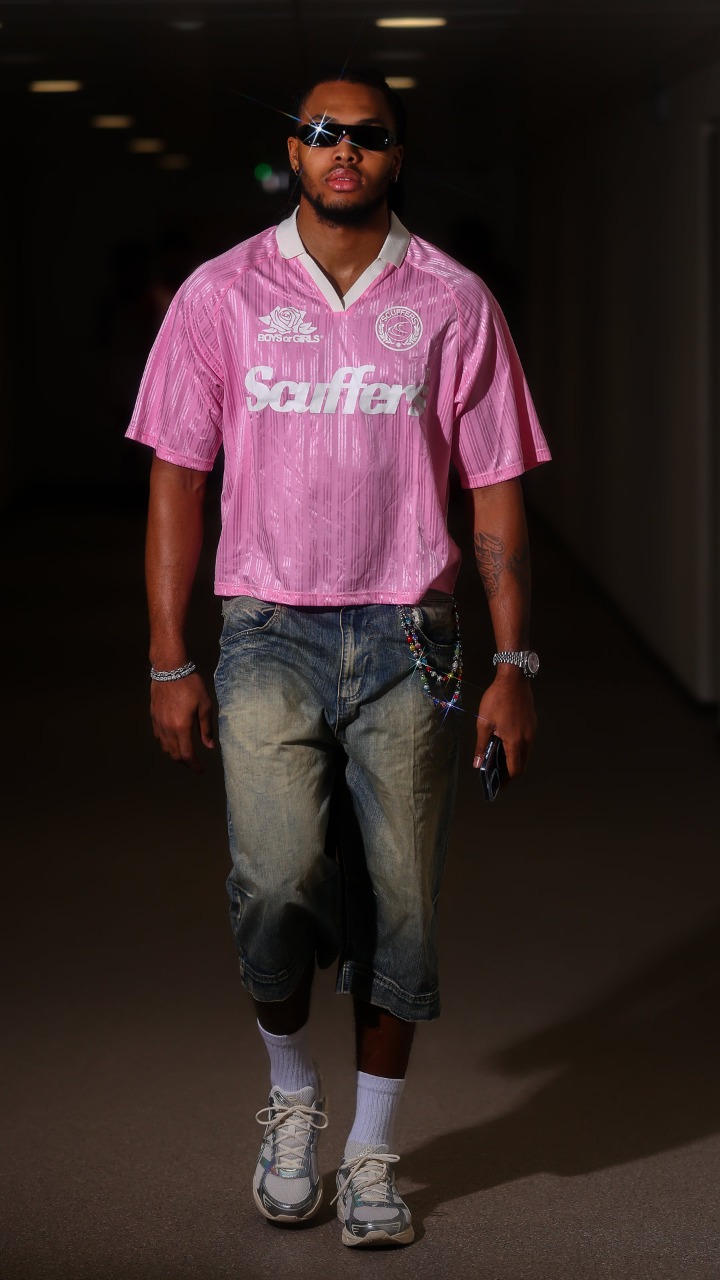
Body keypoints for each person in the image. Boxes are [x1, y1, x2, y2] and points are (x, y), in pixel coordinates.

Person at [126, 66, 550, 1250]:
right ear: (296, 152)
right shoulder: (221, 295)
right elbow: (176, 479)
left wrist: (514, 661)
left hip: (414, 635)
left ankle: (371, 1151)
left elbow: (496, 492)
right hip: (267, 627)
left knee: (402, 899)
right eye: (323, 133)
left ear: (397, 156)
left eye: (369, 134)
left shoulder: (455, 301)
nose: (345, 150)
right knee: (275, 883)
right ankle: (292, 1095)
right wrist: (169, 656)